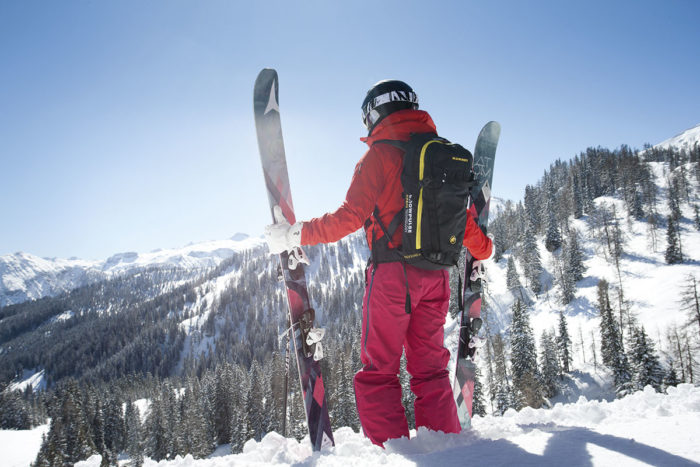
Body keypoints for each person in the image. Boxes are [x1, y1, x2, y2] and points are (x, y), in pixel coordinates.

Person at [265, 79, 493, 446]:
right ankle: (444, 450)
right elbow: (463, 224)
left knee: (378, 372)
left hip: (392, 278)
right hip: (437, 280)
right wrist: (484, 250)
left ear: (374, 114)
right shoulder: (440, 159)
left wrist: (295, 234)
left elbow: (349, 217)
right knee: (431, 371)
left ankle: (393, 453)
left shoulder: (379, 156)